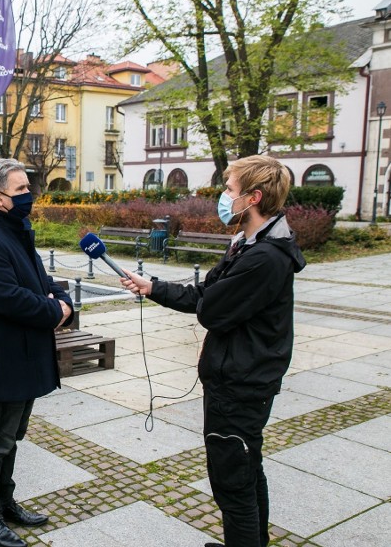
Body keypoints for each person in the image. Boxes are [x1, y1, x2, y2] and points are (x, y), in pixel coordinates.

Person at [119, 155, 305, 547]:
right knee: (245, 467)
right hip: (238, 378)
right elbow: (205, 295)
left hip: (240, 384)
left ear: (252, 197)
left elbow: (212, 310)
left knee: (232, 481)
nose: (224, 197)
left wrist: (206, 301)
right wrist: (152, 286)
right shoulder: (250, 243)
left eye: (230, 190)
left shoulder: (264, 257)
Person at [0, 158, 74, 547]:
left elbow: (43, 282)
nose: (30, 195)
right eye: (22, 189)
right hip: (7, 359)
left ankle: (6, 502)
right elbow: (11, 300)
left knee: (12, 439)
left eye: (28, 187)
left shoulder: (15, 229)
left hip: (27, 354)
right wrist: (54, 310)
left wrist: (63, 301)